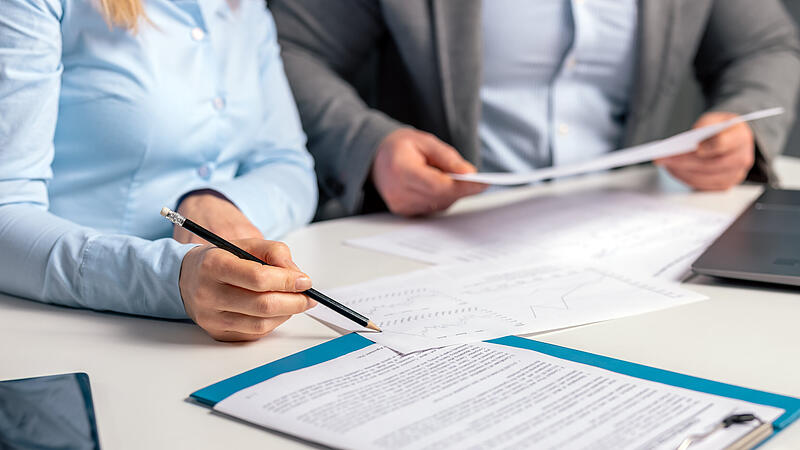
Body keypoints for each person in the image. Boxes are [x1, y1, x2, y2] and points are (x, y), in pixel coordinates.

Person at [270, 0, 800, 219]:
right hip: (446, 230)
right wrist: (370, 144)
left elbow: (766, 46)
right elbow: (288, 46)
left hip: (626, 220)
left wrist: (744, 125)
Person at [0, 0, 318, 341]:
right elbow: (7, 209)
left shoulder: (247, 9)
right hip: (72, 329)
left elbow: (288, 165)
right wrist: (171, 279)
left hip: (209, 332)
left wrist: (214, 200)